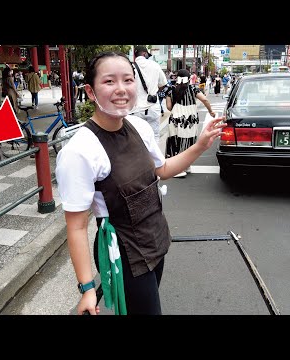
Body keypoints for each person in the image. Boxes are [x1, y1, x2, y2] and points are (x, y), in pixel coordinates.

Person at [55, 51, 225, 315]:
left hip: (156, 239)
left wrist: (201, 145)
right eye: (109, 82)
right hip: (123, 254)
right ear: (90, 91)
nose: (121, 89)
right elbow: (76, 227)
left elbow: (164, 169)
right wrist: (88, 288)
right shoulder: (80, 151)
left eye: (128, 80)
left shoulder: (139, 127)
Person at [165, 69, 216, 178]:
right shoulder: (193, 88)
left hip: (175, 119)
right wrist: (210, 111)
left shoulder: (171, 89)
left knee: (176, 142)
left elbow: (169, 107)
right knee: (189, 141)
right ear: (189, 78)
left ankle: (177, 168)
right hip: (190, 120)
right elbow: (205, 100)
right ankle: (186, 166)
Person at [130, 46, 168, 142]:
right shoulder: (155, 65)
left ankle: (140, 156)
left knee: (137, 137)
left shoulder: (131, 67)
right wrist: (154, 92)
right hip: (153, 106)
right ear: (144, 54)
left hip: (136, 109)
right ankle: (154, 156)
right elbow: (163, 83)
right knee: (154, 136)